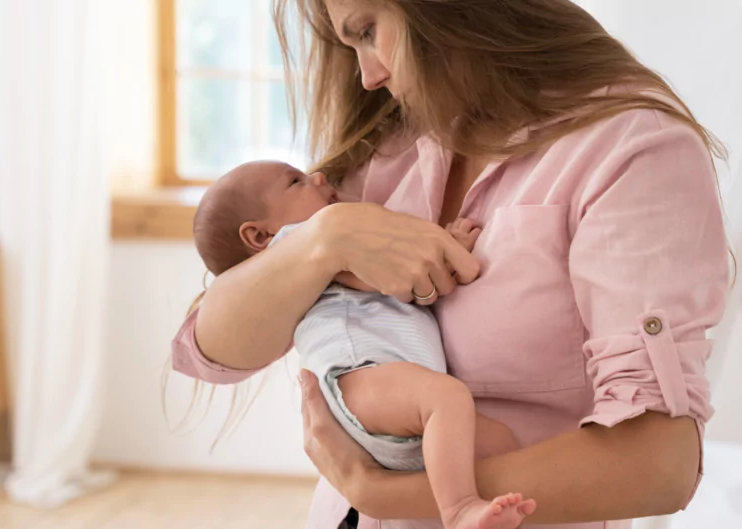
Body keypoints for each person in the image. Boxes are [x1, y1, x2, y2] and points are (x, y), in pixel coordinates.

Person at [169, 0, 731, 527]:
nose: (368, 77)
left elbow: (659, 464)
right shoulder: (384, 152)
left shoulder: (628, 148)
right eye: (351, 46)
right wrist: (327, 239)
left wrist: (385, 493)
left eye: (368, 31)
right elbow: (213, 350)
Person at [181, 160, 536, 528]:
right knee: (447, 399)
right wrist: (450, 247)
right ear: (259, 236)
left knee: (499, 442)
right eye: (295, 181)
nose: (318, 177)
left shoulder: (321, 246)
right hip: (359, 375)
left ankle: (483, 511)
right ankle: (459, 508)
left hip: (389, 394)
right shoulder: (300, 242)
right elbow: (389, 276)